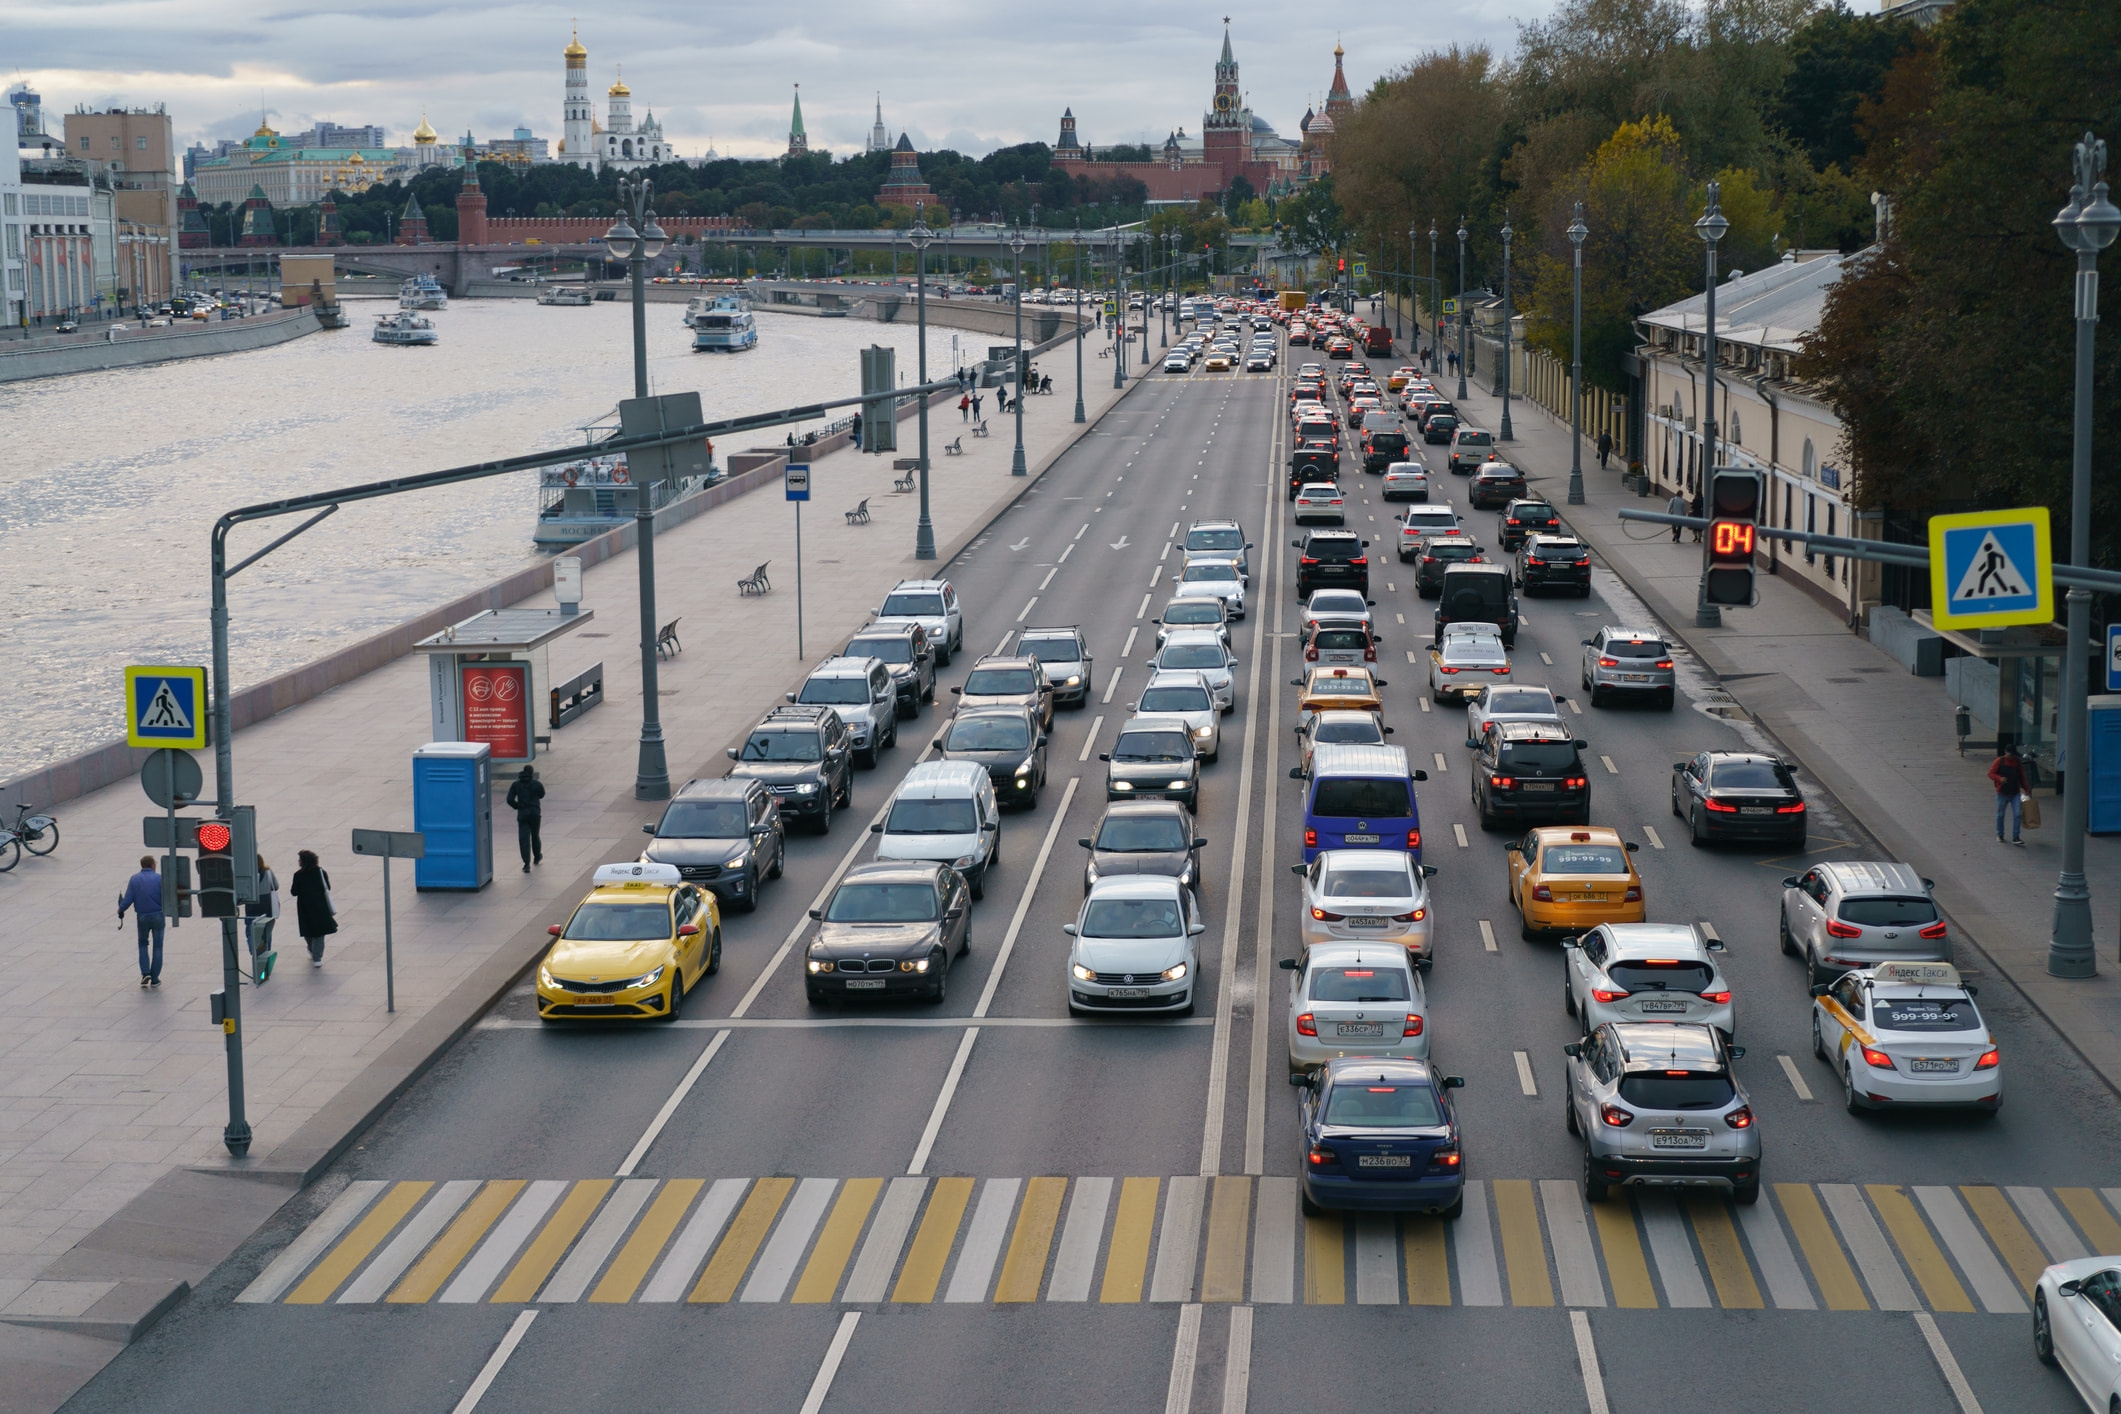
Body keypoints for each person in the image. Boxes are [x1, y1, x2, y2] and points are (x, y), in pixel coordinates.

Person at [119, 856, 166, 988]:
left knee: (143, 944)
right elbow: (166, 896)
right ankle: (155, 978)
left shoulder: (134, 879)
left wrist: (120, 909)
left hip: (142, 917)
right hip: (158, 915)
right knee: (158, 947)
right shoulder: (159, 878)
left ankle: (145, 973)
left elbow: (128, 899)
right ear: (152, 865)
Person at [290, 849, 338, 964]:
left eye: (299, 859)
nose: (298, 861)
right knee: (319, 933)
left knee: (308, 932)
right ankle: (317, 957)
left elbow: (294, 892)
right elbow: (327, 887)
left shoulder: (298, 875)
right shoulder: (321, 872)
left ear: (303, 861)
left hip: (305, 908)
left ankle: (314, 952)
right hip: (320, 907)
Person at [243, 854, 282, 983]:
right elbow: (276, 886)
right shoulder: (268, 872)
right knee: (266, 935)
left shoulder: (247, 876)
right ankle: (264, 960)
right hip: (268, 911)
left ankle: (255, 952)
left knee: (250, 933)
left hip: (252, 911)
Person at [507, 765, 546, 872]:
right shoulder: (537, 784)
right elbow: (542, 794)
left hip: (523, 814)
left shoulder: (516, 784)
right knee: (535, 835)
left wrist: (518, 806)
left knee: (524, 839)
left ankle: (526, 863)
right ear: (532, 773)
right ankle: (537, 856)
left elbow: (509, 799)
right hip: (535, 813)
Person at [1988, 744, 2025, 845]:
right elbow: (1991, 773)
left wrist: (2026, 789)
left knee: (2017, 814)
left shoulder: (2017, 762)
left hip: (2015, 792)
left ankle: (2016, 836)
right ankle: (2000, 834)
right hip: (2002, 792)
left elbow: (2022, 776)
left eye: (2012, 755)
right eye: (2010, 755)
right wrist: (1999, 779)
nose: (2011, 757)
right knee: (2001, 814)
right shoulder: (1999, 761)